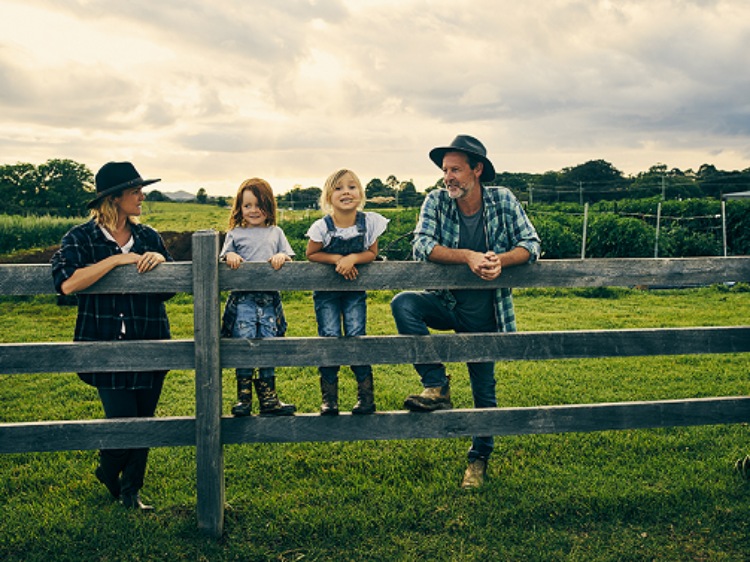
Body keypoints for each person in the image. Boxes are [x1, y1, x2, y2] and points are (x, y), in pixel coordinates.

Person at [390, 135, 541, 489]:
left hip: (486, 314)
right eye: (445, 170)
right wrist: (469, 256)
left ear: (477, 170)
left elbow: (531, 244)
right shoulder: (436, 201)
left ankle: (478, 459)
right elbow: (421, 245)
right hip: (445, 303)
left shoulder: (502, 199)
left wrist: (499, 261)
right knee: (404, 304)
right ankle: (436, 384)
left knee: (484, 391)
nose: (448, 177)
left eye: (456, 169)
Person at [51, 161, 173, 511]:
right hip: (103, 347)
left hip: (150, 342)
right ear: (115, 198)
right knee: (122, 423)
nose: (142, 196)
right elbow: (68, 284)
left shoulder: (149, 236)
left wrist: (158, 262)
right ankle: (108, 467)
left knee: (144, 424)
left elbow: (169, 291)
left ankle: (132, 492)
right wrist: (117, 262)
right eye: (135, 191)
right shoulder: (79, 238)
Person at [306, 169, 389, 415]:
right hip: (327, 293)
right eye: (339, 188)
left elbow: (372, 253)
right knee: (329, 336)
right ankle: (329, 398)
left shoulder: (369, 223)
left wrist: (353, 257)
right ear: (329, 197)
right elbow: (311, 254)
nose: (346, 192)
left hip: (354, 291)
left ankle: (365, 397)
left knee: (356, 336)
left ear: (360, 193)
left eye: (352, 187)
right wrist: (336, 259)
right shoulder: (322, 226)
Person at [220, 178, 296, 417]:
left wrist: (282, 257)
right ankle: (244, 398)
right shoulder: (235, 234)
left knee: (269, 344)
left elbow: (288, 256)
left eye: (259, 204)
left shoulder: (276, 232)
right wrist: (231, 255)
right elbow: (224, 257)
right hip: (243, 301)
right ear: (240, 208)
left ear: (269, 206)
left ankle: (269, 398)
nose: (253, 210)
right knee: (244, 345)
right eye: (247, 205)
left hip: (269, 301)